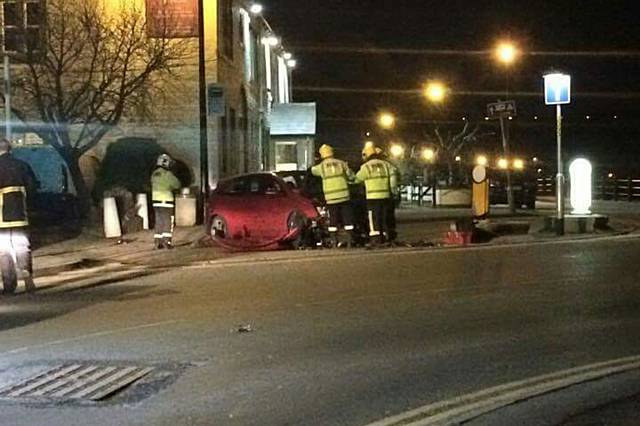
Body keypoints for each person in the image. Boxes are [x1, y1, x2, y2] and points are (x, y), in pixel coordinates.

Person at [0, 138, 37, 294]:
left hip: (1, 215)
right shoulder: (22, 165)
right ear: (10, 149)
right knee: (22, 246)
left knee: (4, 249)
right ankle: (26, 272)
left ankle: (9, 284)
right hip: (20, 213)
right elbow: (33, 187)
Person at [311, 144, 355, 247]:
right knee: (347, 219)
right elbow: (351, 176)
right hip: (344, 196)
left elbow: (313, 171)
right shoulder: (342, 163)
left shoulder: (321, 166)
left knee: (333, 221)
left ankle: (334, 242)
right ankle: (349, 241)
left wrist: (317, 161)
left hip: (331, 198)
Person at [355, 144, 398, 246]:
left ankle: (375, 239)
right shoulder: (387, 165)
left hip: (372, 197)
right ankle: (385, 237)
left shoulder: (366, 166)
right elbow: (393, 179)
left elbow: (357, 179)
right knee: (384, 217)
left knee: (374, 218)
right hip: (385, 196)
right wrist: (393, 192)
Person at [151, 154, 181, 249]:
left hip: (156, 201)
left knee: (159, 221)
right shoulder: (167, 174)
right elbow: (177, 184)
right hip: (166, 201)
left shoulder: (154, 174)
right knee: (167, 221)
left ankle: (157, 242)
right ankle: (166, 242)